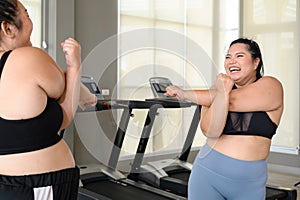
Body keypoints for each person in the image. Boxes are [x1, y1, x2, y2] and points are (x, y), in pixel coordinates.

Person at [165, 38, 284, 199]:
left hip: (249, 183)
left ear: (256, 62)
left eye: (239, 56)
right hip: (206, 175)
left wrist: (187, 94)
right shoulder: (215, 92)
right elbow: (211, 131)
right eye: (228, 57)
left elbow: (235, 101)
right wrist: (220, 93)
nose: (231, 61)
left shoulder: (271, 85)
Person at [0, 0, 96, 199]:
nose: (30, 19)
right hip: (38, 185)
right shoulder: (27, 57)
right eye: (26, 13)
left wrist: (85, 94)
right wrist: (74, 66)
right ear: (8, 28)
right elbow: (66, 113)